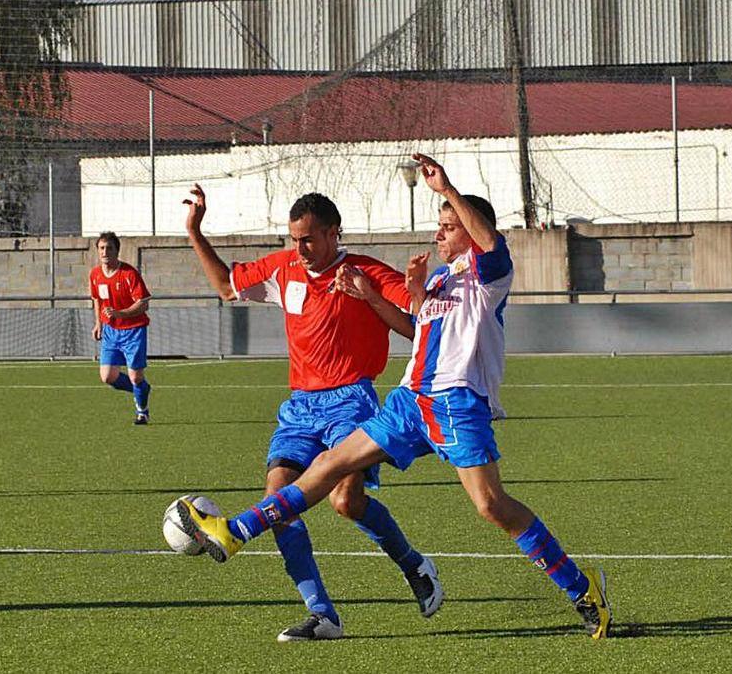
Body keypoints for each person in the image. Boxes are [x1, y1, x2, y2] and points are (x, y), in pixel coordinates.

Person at [176, 155, 613, 640]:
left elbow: (489, 242)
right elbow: (417, 330)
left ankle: (580, 587)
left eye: (449, 227)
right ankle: (235, 534)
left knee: (491, 506)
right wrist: (380, 296)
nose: (439, 233)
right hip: (410, 401)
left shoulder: (490, 277)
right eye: (441, 225)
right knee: (331, 466)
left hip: (457, 404)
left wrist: (448, 191)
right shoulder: (442, 280)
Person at [183, 185, 442, 642]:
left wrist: (385, 293)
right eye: (294, 239)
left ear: (332, 234)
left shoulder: (363, 271)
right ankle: (323, 615)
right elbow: (227, 286)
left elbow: (418, 321)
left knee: (347, 503)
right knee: (279, 498)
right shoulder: (284, 269)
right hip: (300, 407)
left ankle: (414, 566)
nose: (299, 248)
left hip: (351, 400)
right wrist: (194, 232)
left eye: (308, 239)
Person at [90, 231, 153, 424]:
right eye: (101, 248)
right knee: (107, 376)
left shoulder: (129, 274)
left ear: (117, 251)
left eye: (109, 248)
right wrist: (98, 323)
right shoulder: (95, 274)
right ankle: (141, 388)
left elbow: (143, 304)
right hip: (110, 331)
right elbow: (97, 300)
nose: (105, 252)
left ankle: (142, 411)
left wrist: (121, 313)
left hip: (134, 330)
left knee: (135, 376)